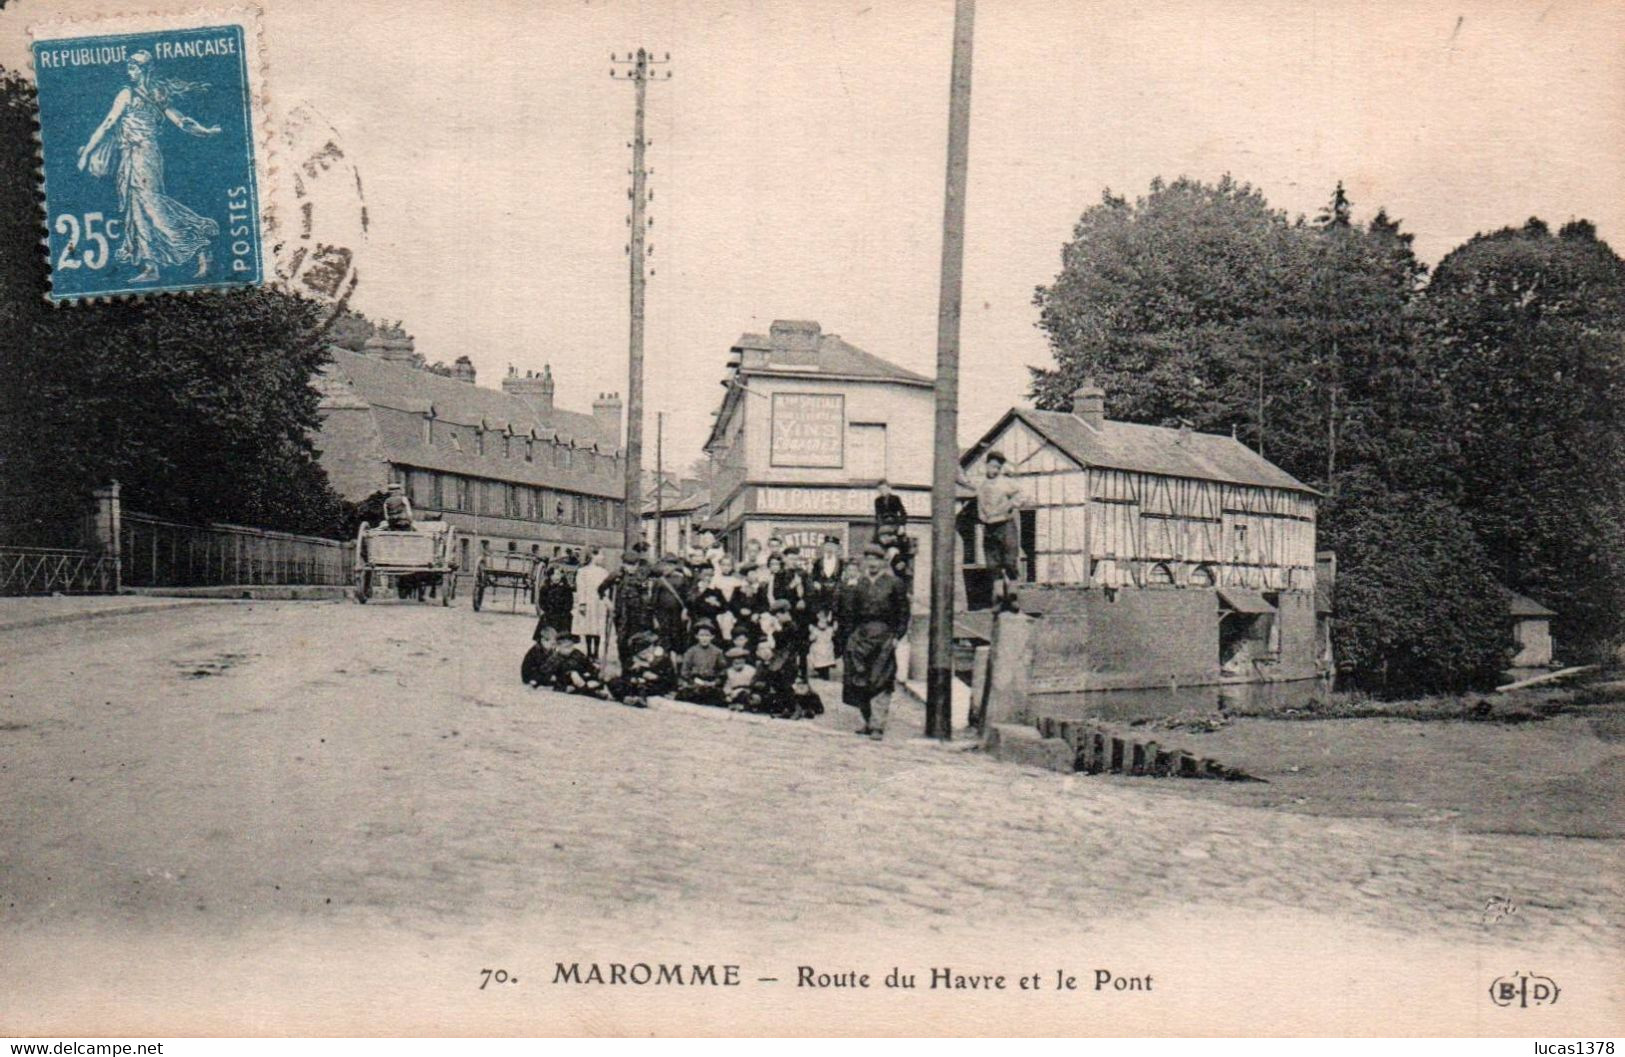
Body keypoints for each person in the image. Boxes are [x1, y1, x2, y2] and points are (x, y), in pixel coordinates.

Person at [77, 50, 222, 283]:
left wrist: (206, 132)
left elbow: (181, 121)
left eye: (134, 67)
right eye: (129, 66)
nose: (130, 71)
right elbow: (108, 124)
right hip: (131, 156)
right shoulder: (138, 93)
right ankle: (150, 267)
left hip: (144, 156)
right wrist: (88, 151)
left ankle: (200, 245)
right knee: (137, 209)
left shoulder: (145, 94)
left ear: (145, 70)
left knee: (152, 205)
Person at [839, 542, 911, 740]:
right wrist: (850, 638)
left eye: (876, 559)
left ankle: (878, 725)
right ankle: (868, 720)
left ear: (883, 562)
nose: (872, 563)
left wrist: (898, 636)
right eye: (869, 559)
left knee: (881, 680)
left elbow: (903, 613)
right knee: (859, 679)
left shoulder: (894, 583)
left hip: (884, 635)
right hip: (861, 635)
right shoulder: (859, 584)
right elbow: (850, 613)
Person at [957, 451, 1025, 610]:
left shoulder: (1006, 483)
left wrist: (1012, 504)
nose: (994, 470)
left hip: (1005, 524)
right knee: (993, 563)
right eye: (992, 466)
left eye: (998, 468)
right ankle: (998, 598)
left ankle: (1013, 596)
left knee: (1009, 561)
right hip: (989, 526)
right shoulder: (980, 483)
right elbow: (963, 480)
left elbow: (1022, 494)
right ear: (986, 465)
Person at [572, 549, 610, 660]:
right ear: (593, 555)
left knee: (598, 627)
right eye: (601, 554)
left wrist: (605, 600)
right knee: (588, 626)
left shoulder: (603, 572)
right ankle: (589, 652)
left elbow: (606, 588)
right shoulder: (583, 571)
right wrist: (582, 603)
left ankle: (596, 653)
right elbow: (581, 588)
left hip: (599, 602)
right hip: (588, 602)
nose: (603, 557)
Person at [676, 622, 727, 705]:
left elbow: (723, 671)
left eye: (707, 635)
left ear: (712, 637)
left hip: (711, 683)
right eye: (701, 635)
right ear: (697, 636)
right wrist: (694, 681)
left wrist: (714, 682)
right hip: (695, 682)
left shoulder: (718, 652)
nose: (704, 638)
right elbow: (684, 671)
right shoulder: (691, 652)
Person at [648, 562, 690, 653]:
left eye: (670, 565)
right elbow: (654, 600)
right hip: (662, 614)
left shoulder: (681, 579)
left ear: (674, 567)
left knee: (677, 634)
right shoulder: (659, 581)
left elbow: (686, 597)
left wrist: (685, 610)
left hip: (677, 613)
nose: (666, 568)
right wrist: (654, 616)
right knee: (664, 635)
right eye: (665, 565)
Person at [553, 633, 609, 698]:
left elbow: (588, 665)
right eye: (566, 647)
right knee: (574, 674)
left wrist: (597, 673)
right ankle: (592, 693)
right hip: (565, 681)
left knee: (601, 676)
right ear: (558, 647)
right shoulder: (555, 658)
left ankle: (586, 688)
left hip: (581, 678)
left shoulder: (576, 653)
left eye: (571, 646)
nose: (570, 649)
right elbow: (547, 672)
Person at [749, 640, 795, 716]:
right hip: (765, 692)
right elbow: (754, 681)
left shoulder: (778, 664)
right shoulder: (760, 666)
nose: (766, 652)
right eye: (762, 649)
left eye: (768, 648)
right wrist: (758, 684)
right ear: (757, 653)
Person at [538, 564, 575, 637]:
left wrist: (563, 612)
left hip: (563, 616)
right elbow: (542, 602)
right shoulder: (545, 588)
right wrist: (549, 610)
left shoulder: (566, 589)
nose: (557, 577)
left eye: (559, 574)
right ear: (550, 576)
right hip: (549, 614)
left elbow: (569, 603)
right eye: (555, 574)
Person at [722, 647, 757, 711]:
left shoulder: (751, 670)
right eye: (735, 659)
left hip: (747, 692)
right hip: (733, 693)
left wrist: (741, 690)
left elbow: (752, 685)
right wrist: (728, 694)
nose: (738, 660)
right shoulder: (729, 671)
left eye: (741, 658)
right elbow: (727, 684)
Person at [808, 610, 837, 680]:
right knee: (824, 661)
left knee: (819, 661)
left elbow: (811, 638)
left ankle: (821, 673)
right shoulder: (829, 630)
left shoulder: (816, 631)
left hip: (820, 648)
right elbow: (833, 633)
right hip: (826, 648)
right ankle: (824, 673)